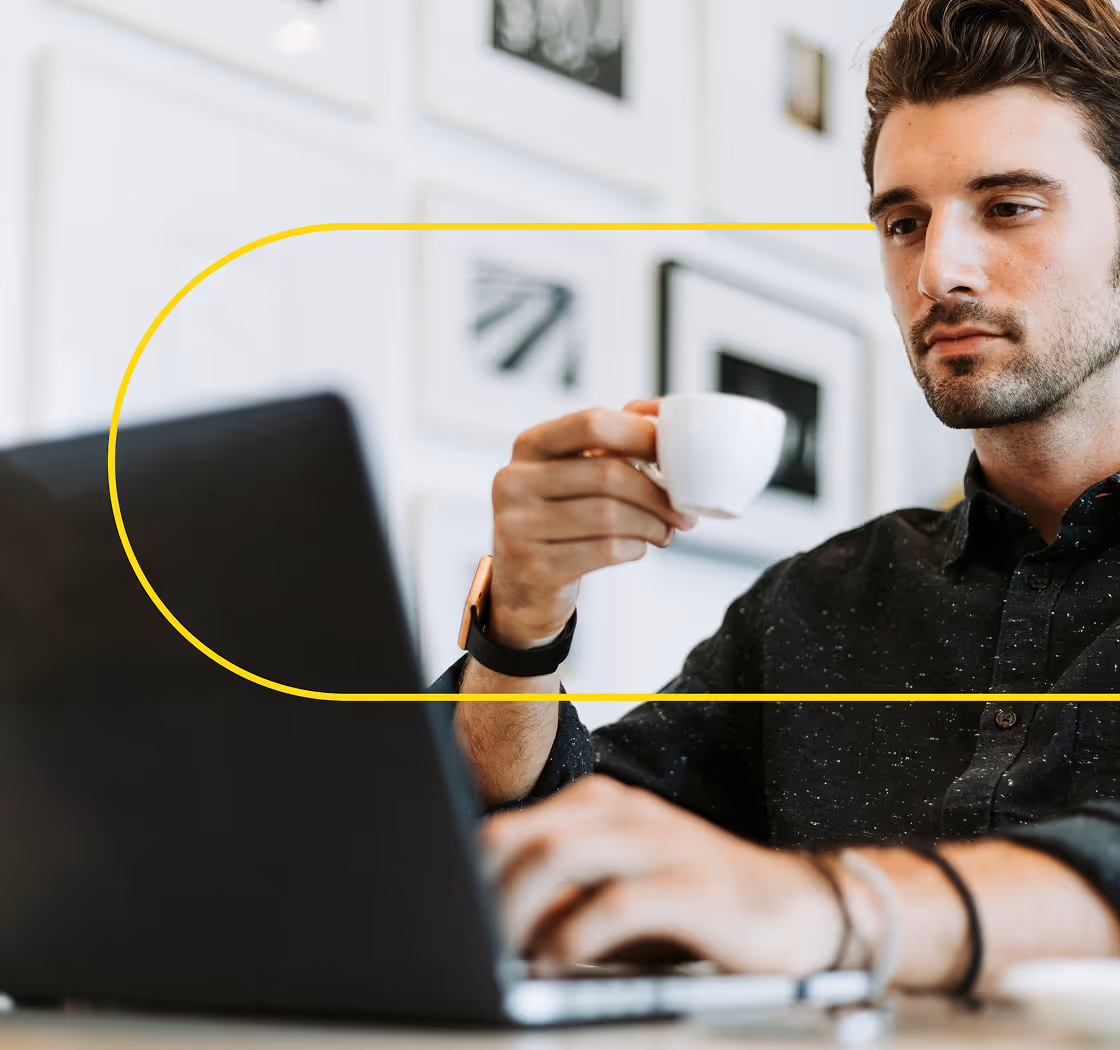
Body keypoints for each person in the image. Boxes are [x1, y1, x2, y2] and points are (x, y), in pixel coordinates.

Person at [436, 0, 1120, 996]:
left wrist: (833, 910)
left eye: (1009, 205)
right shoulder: (817, 605)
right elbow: (552, 848)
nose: (938, 271)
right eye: (903, 222)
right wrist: (522, 624)